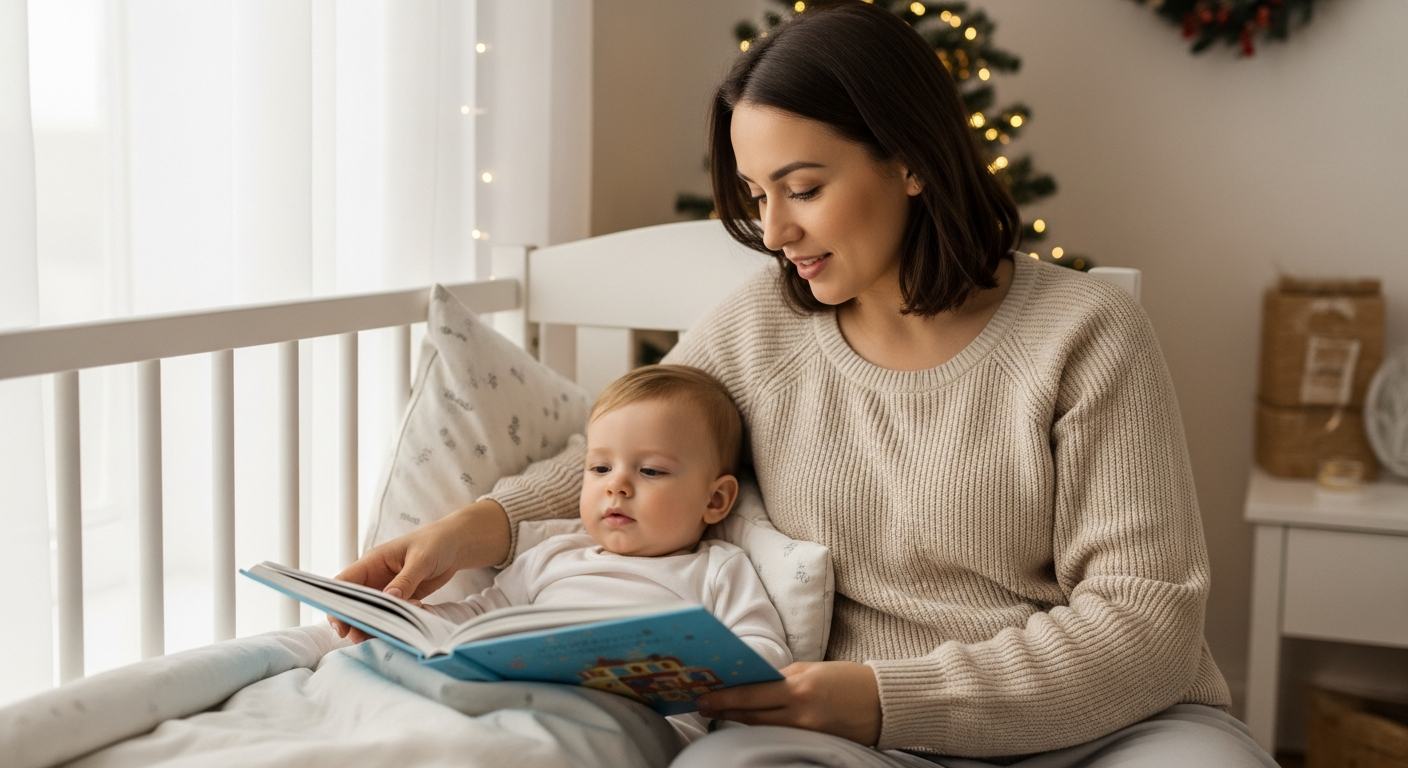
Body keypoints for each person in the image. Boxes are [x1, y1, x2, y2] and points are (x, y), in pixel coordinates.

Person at [337, 3, 1277, 766]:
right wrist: (484, 524)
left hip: (1103, 732)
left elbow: (1146, 620)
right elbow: (626, 456)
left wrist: (883, 697)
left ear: (908, 158)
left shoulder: (1088, 332)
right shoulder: (761, 323)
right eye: (756, 196)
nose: (775, 230)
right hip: (848, 736)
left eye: (803, 186)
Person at [334, 364, 791, 741]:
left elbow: (766, 654)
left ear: (715, 500)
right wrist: (412, 619)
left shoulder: (717, 568)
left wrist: (690, 661)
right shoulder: (554, 553)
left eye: (650, 470)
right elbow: (479, 617)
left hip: (639, 727)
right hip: (518, 703)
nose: (617, 484)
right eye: (599, 467)